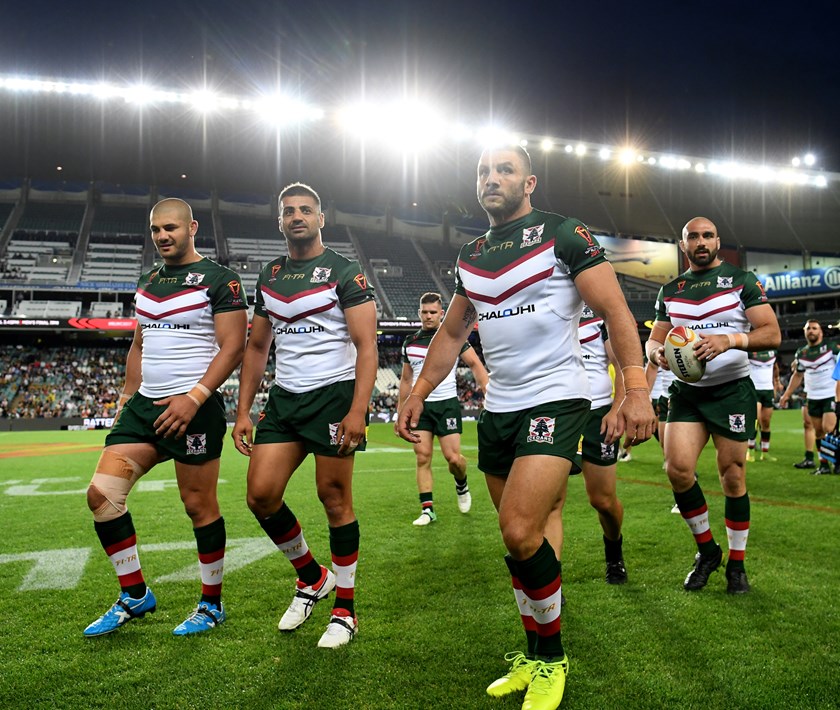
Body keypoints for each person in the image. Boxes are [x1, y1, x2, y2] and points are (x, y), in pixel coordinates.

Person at [397, 145, 655, 710]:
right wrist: (416, 392)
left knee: (518, 530)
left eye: (504, 170)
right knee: (525, 538)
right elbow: (451, 334)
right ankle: (534, 654)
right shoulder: (471, 254)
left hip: (557, 398)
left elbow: (615, 310)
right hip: (499, 407)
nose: (491, 179)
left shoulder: (564, 233)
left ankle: (553, 658)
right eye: (483, 171)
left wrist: (636, 390)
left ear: (529, 182)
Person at [83, 198, 248, 637]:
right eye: (156, 229)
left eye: (170, 228)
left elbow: (234, 346)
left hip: (195, 408)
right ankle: (135, 594)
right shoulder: (149, 280)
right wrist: (126, 396)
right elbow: (139, 344)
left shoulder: (221, 280)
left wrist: (194, 398)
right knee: (102, 496)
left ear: (192, 227)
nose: (162, 236)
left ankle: (211, 604)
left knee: (198, 506)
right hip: (144, 407)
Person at [232, 182, 377, 649]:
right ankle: (313, 577)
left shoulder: (344, 271)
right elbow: (257, 346)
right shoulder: (270, 274)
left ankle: (345, 610)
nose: (297, 216)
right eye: (289, 211)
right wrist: (243, 411)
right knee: (261, 495)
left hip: (333, 396)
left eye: (306, 210)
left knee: (334, 500)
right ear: (280, 221)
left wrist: (358, 409)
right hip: (285, 399)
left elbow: (367, 346)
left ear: (320, 218)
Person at [647, 216, 781, 596]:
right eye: (693, 236)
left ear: (718, 241)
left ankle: (736, 566)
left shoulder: (742, 281)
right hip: (688, 394)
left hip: (732, 391)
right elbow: (654, 340)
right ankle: (708, 551)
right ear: (683, 245)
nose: (701, 242)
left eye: (707, 235)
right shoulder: (670, 290)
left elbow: (771, 333)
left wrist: (729, 340)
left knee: (732, 476)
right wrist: (656, 353)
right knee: (677, 470)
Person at [396, 292, 489, 526]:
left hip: (446, 404)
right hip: (420, 406)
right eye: (424, 312)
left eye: (433, 312)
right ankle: (427, 510)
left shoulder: (453, 337)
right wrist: (400, 411)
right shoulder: (410, 342)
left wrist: (488, 390)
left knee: (454, 459)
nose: (428, 316)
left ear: (442, 314)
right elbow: (406, 380)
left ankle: (461, 483)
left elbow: (475, 364)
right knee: (422, 457)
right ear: (419, 313)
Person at [559, 304, 628, 583]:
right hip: (556, 411)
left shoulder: (600, 310)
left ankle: (614, 553)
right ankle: (549, 579)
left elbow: (620, 364)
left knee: (603, 500)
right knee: (551, 501)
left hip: (598, 413)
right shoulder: (546, 303)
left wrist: (617, 408)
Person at [779, 320, 840, 475]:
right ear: (805, 332)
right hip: (812, 396)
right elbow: (798, 375)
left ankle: (837, 462)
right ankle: (824, 464)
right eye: (808, 329)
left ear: (821, 332)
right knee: (818, 432)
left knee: (829, 428)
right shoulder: (801, 353)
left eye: (814, 328)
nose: (811, 331)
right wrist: (786, 394)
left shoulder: (831, 348)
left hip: (830, 394)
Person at [746, 350, 781, 461]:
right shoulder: (750, 352)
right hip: (754, 389)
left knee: (766, 422)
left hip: (768, 390)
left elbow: (775, 367)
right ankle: (750, 451)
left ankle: (765, 453)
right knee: (755, 421)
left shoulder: (773, 352)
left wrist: (777, 381)